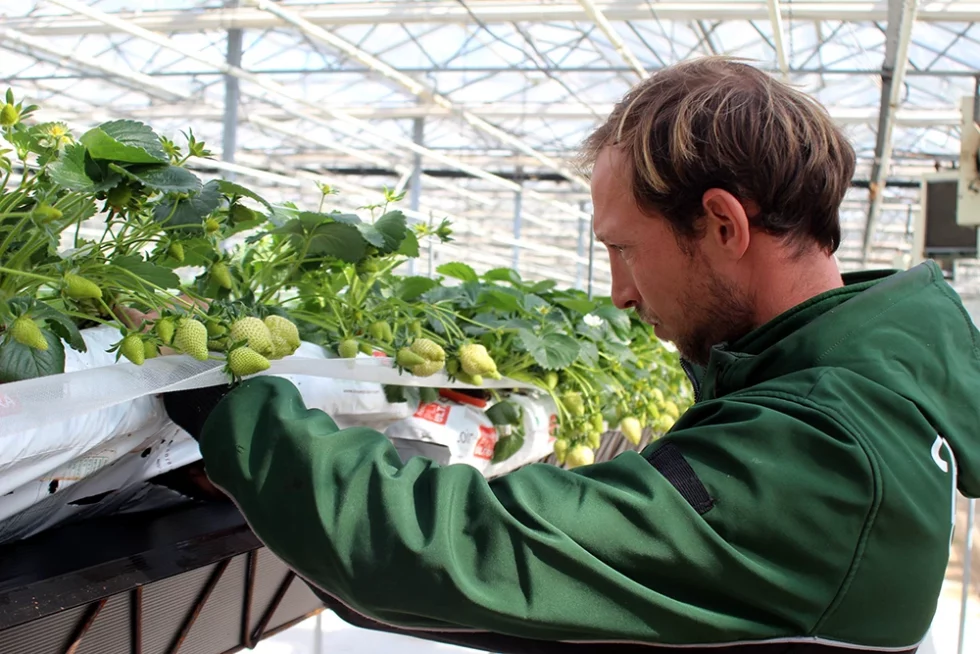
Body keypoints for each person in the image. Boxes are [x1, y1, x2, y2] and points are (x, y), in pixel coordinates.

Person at [164, 56, 980, 653]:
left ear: (724, 226)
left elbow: (469, 549)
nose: (621, 294)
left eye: (625, 250)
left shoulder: (819, 454)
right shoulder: (870, 386)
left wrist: (234, 412)